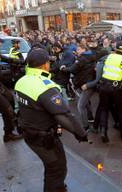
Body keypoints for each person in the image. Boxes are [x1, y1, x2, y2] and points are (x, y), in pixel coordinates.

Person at [14, 48, 88, 192]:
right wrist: (80, 133)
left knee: (51, 166)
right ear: (44, 65)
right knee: (57, 169)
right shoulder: (45, 86)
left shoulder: (21, 81)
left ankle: (57, 187)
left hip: (28, 133)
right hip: (44, 139)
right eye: (48, 62)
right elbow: (63, 115)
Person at [0, 31, 22, 142]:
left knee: (11, 99)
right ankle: (8, 134)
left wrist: (20, 62)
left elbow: (6, 58)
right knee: (7, 110)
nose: (0, 44)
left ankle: (12, 123)